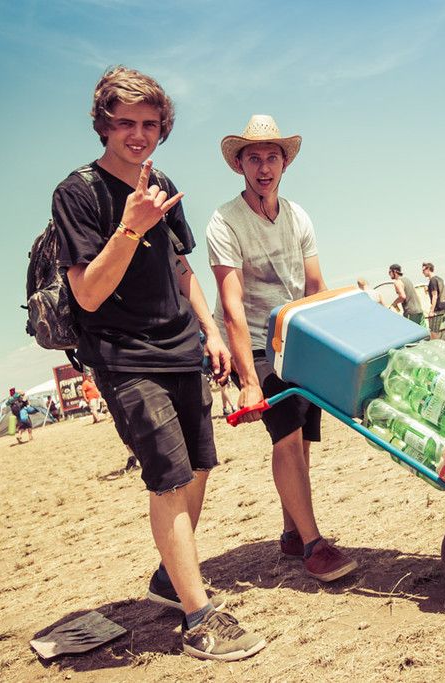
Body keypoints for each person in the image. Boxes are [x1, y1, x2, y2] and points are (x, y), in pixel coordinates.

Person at [52, 66, 264, 661]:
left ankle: (171, 580)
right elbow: (87, 293)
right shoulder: (77, 193)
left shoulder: (161, 181)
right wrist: (129, 226)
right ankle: (199, 618)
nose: (138, 134)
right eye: (125, 123)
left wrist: (211, 330)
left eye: (149, 123)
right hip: (124, 356)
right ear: (103, 124)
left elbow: (180, 265)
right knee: (168, 477)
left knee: (197, 468)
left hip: (182, 346)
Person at [208, 114, 359, 584]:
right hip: (253, 341)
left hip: (295, 335)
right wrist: (248, 381)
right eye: (253, 157)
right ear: (239, 165)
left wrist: (334, 345)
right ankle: (314, 545)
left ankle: (293, 532)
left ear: (284, 163)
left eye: (272, 157)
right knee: (286, 436)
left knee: (303, 437)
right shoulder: (224, 221)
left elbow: (314, 284)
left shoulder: (298, 216)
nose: (264, 167)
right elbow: (232, 306)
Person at [421, 262, 445, 339]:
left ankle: (436, 345)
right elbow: (441, 292)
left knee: (433, 330)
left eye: (423, 270)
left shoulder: (432, 280)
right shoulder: (439, 279)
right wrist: (428, 289)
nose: (422, 272)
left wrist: (431, 311)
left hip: (438, 309)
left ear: (428, 269)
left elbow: (435, 295)